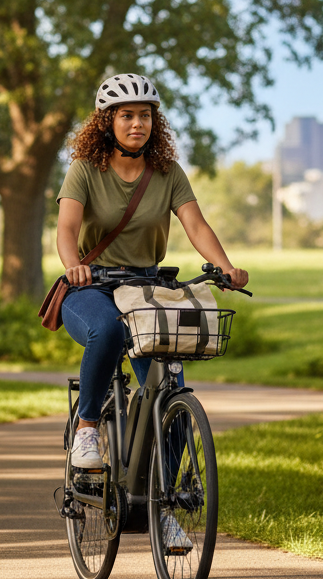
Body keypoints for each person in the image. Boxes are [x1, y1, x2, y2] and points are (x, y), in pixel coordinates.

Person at [57, 73, 249, 469]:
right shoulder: (85, 169)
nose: (137, 124)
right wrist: (73, 266)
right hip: (92, 286)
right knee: (107, 330)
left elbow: (195, 225)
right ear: (106, 122)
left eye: (145, 115)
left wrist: (227, 268)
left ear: (154, 122)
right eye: (126, 115)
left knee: (169, 394)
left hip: (145, 290)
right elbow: (67, 228)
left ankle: (165, 508)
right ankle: (88, 428)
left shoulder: (167, 172)